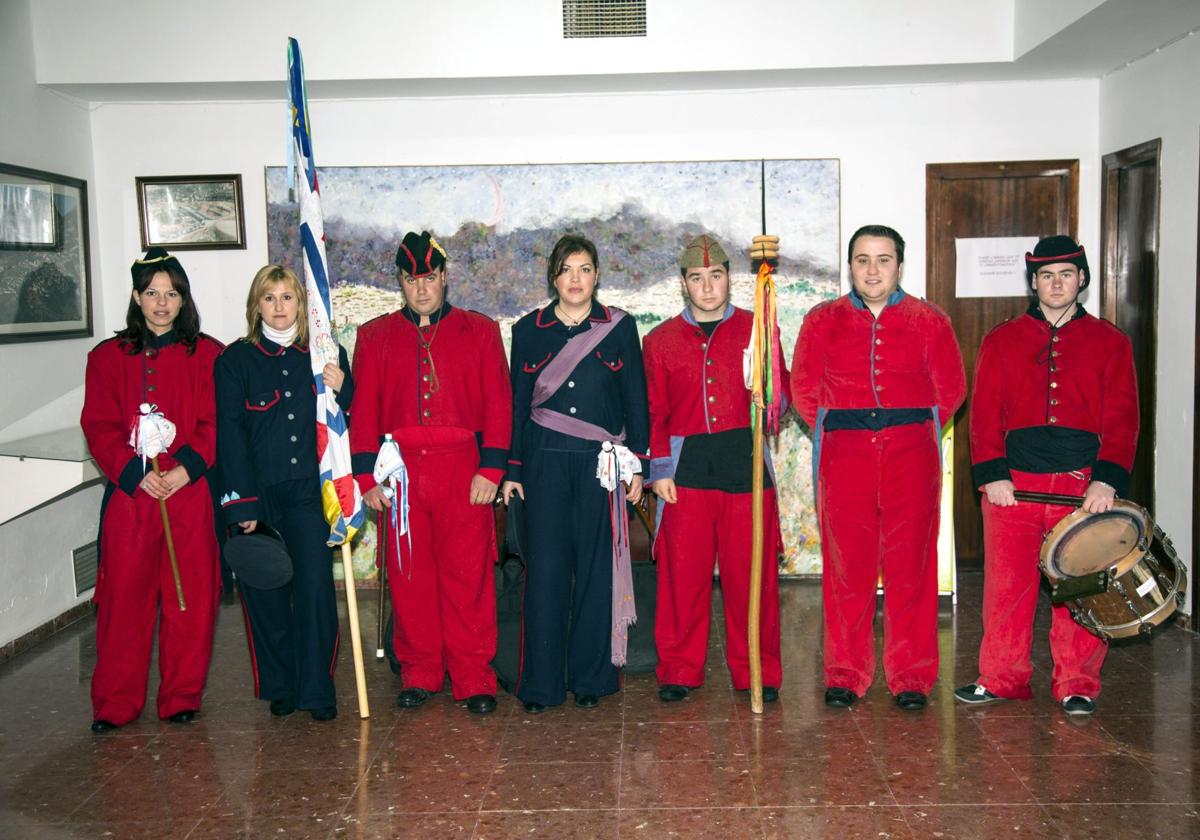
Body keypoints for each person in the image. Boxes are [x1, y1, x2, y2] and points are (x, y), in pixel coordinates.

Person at [956, 235, 1139, 716]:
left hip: (1082, 488)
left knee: (1078, 589)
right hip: (1013, 486)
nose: (1056, 284)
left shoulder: (1111, 342)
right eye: (1046, 275)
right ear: (1033, 282)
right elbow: (984, 416)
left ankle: (1077, 682)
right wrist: (993, 475)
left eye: (1065, 274)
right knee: (1005, 588)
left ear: (1081, 280)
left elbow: (1123, 418)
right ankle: (1001, 677)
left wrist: (1106, 480)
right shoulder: (1001, 339)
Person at [791, 224, 965, 711]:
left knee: (912, 568)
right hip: (844, 460)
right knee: (849, 570)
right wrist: (843, 430)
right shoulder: (821, 320)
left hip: (912, 457)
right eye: (863, 259)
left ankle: (911, 677)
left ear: (900, 266)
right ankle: (846, 672)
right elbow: (804, 389)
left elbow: (950, 390)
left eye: (883, 259)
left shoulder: (930, 320)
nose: (872, 269)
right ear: (850, 266)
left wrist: (908, 433)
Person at [349, 231, 511, 715]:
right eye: (411, 279)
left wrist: (492, 468)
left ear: (444, 276)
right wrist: (365, 479)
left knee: (469, 577)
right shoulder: (373, 336)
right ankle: (420, 669)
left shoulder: (478, 331)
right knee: (409, 577)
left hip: (463, 470)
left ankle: (473, 675)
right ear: (401, 281)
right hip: (399, 473)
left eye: (430, 278)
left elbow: (500, 404)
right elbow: (363, 411)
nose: (422, 288)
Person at [502, 233, 650, 713]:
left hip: (599, 467)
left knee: (594, 572)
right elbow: (517, 405)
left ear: (596, 275)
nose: (576, 279)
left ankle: (591, 678)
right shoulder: (528, 330)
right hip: (543, 460)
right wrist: (513, 470)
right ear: (553, 276)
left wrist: (638, 467)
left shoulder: (620, 327)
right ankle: (542, 684)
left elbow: (636, 399)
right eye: (567, 269)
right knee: (544, 571)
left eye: (585, 269)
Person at [80, 248, 223, 732]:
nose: (162, 303)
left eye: (172, 294)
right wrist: (132, 473)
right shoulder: (105, 358)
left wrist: (185, 468)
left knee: (190, 596)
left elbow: (215, 421)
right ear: (137, 298)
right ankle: (115, 702)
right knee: (124, 598)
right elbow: (98, 426)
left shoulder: (209, 354)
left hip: (187, 489)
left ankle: (181, 693)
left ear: (184, 300)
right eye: (152, 293)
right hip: (132, 494)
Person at [644, 233, 787, 704]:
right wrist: (659, 469)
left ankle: (757, 673)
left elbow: (778, 403)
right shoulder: (660, 341)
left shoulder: (757, 328)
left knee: (754, 582)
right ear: (683, 284)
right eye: (697, 278)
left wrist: (768, 388)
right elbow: (653, 413)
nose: (708, 287)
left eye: (717, 276)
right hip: (685, 475)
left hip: (745, 469)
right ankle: (680, 670)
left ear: (730, 278)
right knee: (682, 581)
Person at [214, 264, 353, 722]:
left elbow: (349, 420)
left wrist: (343, 388)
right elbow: (230, 438)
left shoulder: (325, 355)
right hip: (260, 494)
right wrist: (242, 505)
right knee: (266, 593)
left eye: (288, 297)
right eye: (269, 298)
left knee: (314, 589)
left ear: (301, 303)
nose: (279, 307)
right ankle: (280, 685)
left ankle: (317, 688)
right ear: (256, 306)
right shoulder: (235, 362)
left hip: (309, 494)